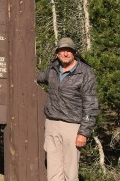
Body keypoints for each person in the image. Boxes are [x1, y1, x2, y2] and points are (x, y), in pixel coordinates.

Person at [36, 37, 100, 181]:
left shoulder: (85, 72)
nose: (65, 53)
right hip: (52, 125)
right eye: (62, 50)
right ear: (56, 53)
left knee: (70, 174)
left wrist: (83, 132)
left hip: (72, 127)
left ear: (74, 53)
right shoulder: (52, 69)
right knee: (53, 172)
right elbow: (38, 77)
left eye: (69, 50)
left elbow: (91, 104)